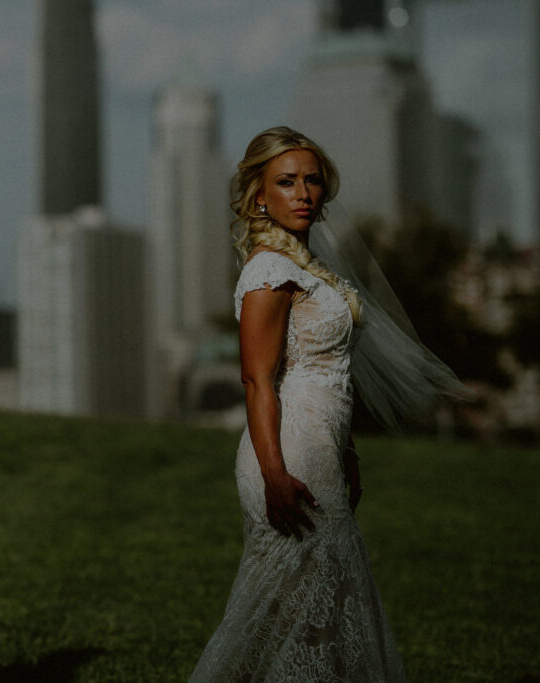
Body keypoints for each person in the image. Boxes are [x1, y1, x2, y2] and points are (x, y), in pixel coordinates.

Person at [189, 126, 462, 681]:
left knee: (317, 620)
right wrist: (273, 474)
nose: (304, 192)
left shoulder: (307, 268)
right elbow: (258, 380)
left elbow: (326, 373)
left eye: (312, 180)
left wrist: (349, 453)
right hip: (287, 456)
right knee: (293, 616)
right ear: (260, 195)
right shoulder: (268, 271)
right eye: (287, 182)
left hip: (322, 451)